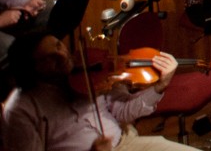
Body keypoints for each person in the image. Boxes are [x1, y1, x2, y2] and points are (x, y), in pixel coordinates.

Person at [3, 29, 194, 151]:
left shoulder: (90, 74)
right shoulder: (21, 109)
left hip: (127, 144)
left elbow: (122, 112)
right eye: (49, 58)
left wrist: (160, 86)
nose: (62, 56)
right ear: (32, 68)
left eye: (59, 46)